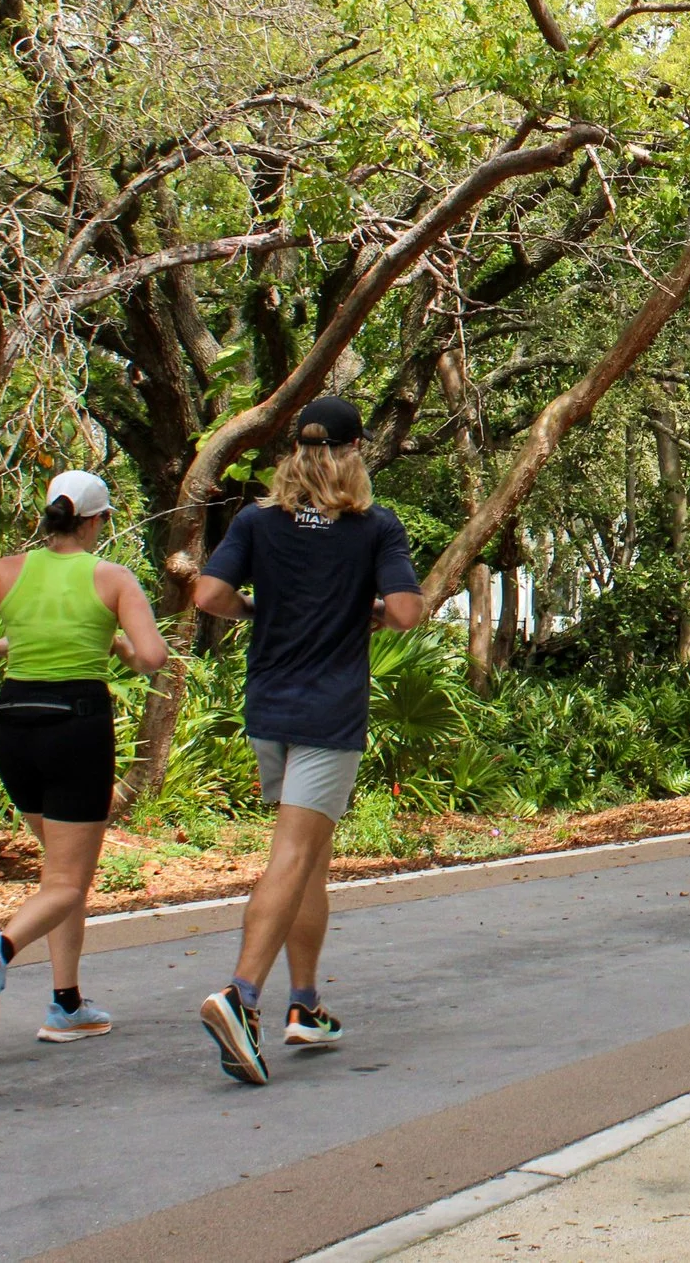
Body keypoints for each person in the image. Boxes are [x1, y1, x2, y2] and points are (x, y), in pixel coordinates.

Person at [191, 395, 423, 1085]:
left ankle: (305, 1002)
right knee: (292, 855)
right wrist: (372, 608)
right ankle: (242, 994)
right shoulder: (374, 526)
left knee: (311, 858)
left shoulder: (258, 521)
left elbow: (207, 594)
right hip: (329, 713)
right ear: (354, 451)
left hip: (270, 707)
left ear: (296, 451)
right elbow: (407, 610)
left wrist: (257, 606)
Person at [0, 470, 170, 1044]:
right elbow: (153, 657)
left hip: (14, 723)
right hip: (76, 725)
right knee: (68, 879)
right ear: (94, 521)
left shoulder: (6, 570)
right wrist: (116, 643)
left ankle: (67, 1004)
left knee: (61, 875)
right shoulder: (111, 578)